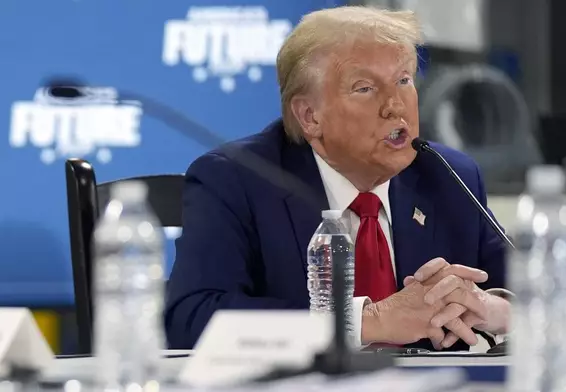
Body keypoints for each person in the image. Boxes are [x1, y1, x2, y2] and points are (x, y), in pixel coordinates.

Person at [164, 6, 511, 350]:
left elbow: (544, 298)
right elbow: (192, 318)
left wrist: (487, 309)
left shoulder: (448, 175)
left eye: (404, 80)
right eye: (365, 88)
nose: (395, 106)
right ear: (310, 116)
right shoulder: (235, 179)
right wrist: (371, 321)